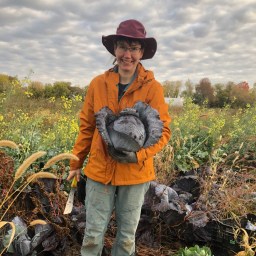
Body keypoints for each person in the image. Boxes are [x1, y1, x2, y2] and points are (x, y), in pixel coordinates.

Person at [67, 19, 171, 256]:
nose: (128, 54)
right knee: (93, 234)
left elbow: (163, 131)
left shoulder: (152, 88)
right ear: (114, 49)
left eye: (134, 48)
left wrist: (138, 155)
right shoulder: (98, 84)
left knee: (126, 238)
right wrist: (76, 163)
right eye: (123, 46)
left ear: (141, 52)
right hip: (98, 170)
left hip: (135, 174)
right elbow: (87, 127)